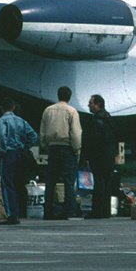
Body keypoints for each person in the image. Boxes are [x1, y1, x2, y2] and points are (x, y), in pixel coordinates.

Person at [40, 86, 83, 220]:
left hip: (53, 147)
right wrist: (76, 148)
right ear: (69, 97)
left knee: (50, 181)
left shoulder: (48, 110)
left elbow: (42, 132)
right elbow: (76, 133)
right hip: (66, 148)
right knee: (69, 181)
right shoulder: (72, 111)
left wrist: (46, 146)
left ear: (58, 95)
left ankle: (48, 211)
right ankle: (69, 211)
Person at [0, 98, 39, 225]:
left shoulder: (2, 121)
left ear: (2, 108)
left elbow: (1, 137)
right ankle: (21, 211)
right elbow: (33, 136)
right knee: (18, 182)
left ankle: (12, 214)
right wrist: (24, 147)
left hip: (8, 153)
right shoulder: (21, 121)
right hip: (19, 153)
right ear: (13, 108)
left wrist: (1, 151)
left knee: (7, 183)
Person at [82, 94, 117, 218]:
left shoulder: (95, 121)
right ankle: (106, 210)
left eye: (91, 103)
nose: (88, 105)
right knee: (107, 183)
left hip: (99, 156)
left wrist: (86, 155)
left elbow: (93, 141)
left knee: (98, 183)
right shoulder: (109, 119)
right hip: (109, 155)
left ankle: (97, 210)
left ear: (98, 105)